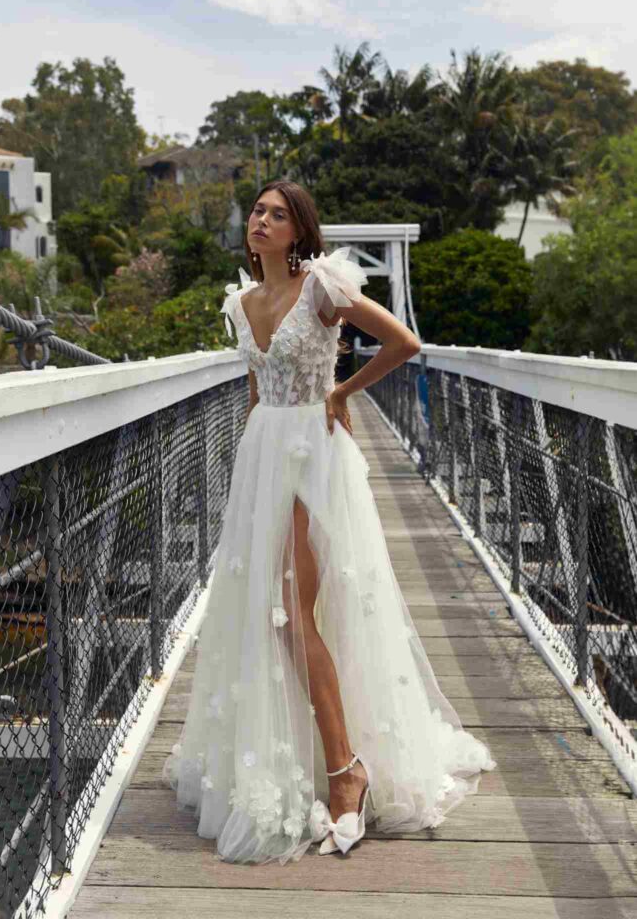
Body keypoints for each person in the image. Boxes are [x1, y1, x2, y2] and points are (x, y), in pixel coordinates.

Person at [162, 181, 497, 863]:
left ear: (299, 230)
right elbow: (257, 388)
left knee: (291, 608)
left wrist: (340, 392)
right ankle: (317, 760)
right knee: (268, 611)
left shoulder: (320, 286)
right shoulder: (240, 303)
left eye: (277, 214)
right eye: (257, 211)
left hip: (311, 453)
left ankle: (346, 772)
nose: (261, 220)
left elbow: (403, 341)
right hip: (262, 455)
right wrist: (257, 449)